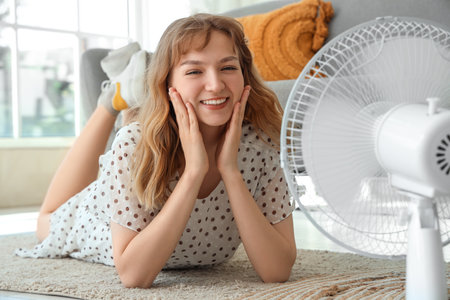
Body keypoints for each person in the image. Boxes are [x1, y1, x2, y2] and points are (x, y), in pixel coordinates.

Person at [16, 13, 296, 288]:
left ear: (245, 76)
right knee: (46, 224)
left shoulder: (261, 144)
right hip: (97, 220)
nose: (215, 84)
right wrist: (193, 173)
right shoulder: (134, 145)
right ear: (167, 83)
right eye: (194, 71)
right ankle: (113, 98)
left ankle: (130, 92)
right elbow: (134, 277)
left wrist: (230, 172)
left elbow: (277, 270)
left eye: (228, 67)